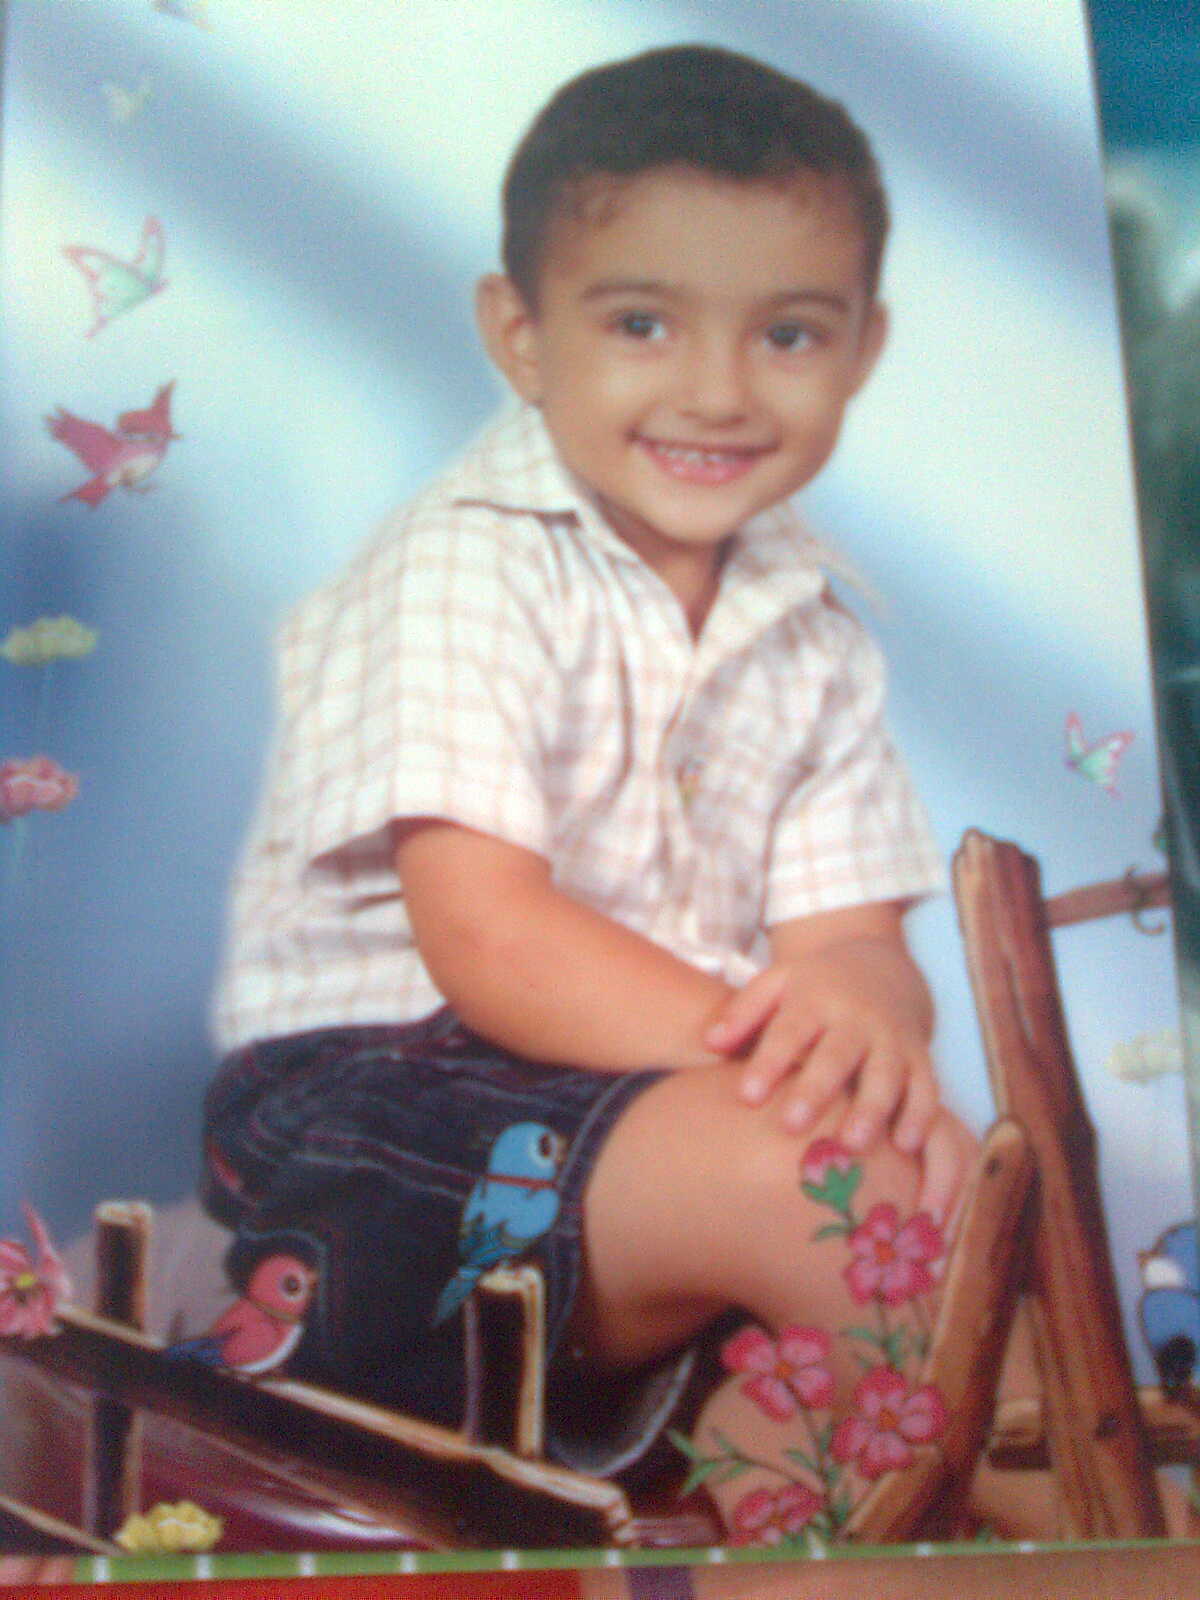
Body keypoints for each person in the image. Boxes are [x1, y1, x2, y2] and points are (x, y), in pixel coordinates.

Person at [202, 43, 981, 1519]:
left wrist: (862, 1021)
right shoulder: (468, 560)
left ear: (865, 349)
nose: (718, 391)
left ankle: (864, 1511)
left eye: (789, 335)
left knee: (940, 1189)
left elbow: (852, 937)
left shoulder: (812, 631)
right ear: (521, 335)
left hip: (644, 1085)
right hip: (383, 1096)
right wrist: (786, 1082)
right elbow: (489, 936)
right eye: (642, 322)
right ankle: (1015, 1525)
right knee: (837, 1181)